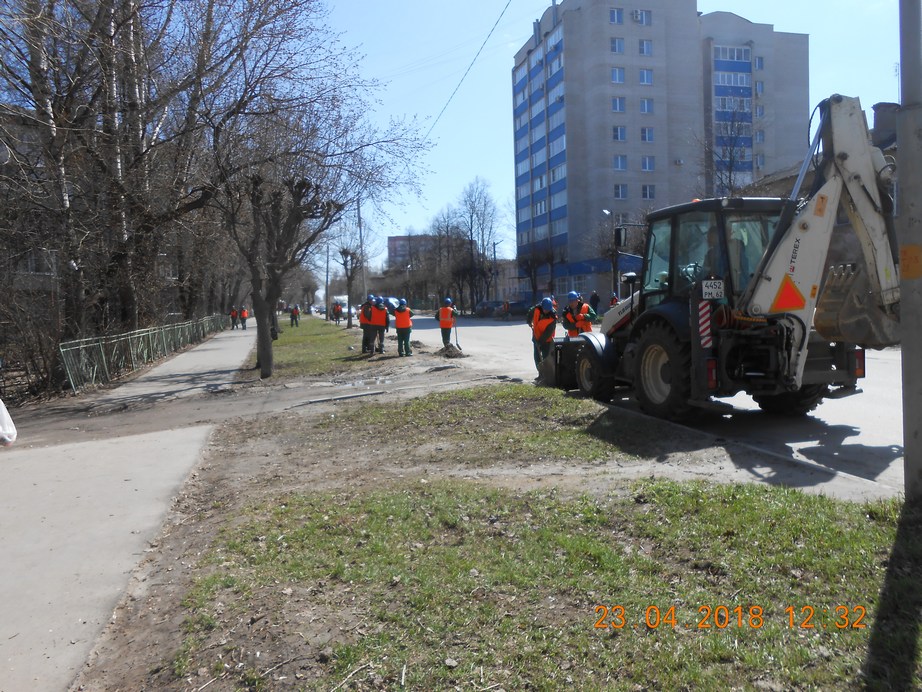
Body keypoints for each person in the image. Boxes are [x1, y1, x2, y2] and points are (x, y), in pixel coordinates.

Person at [527, 297, 557, 370]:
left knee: (546, 357)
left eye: (548, 310)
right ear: (542, 307)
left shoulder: (552, 317)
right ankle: (540, 373)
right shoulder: (536, 309)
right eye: (545, 309)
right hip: (536, 336)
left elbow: (548, 332)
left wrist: (540, 342)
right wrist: (529, 322)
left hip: (547, 340)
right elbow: (530, 312)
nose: (546, 311)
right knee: (537, 357)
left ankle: (547, 373)